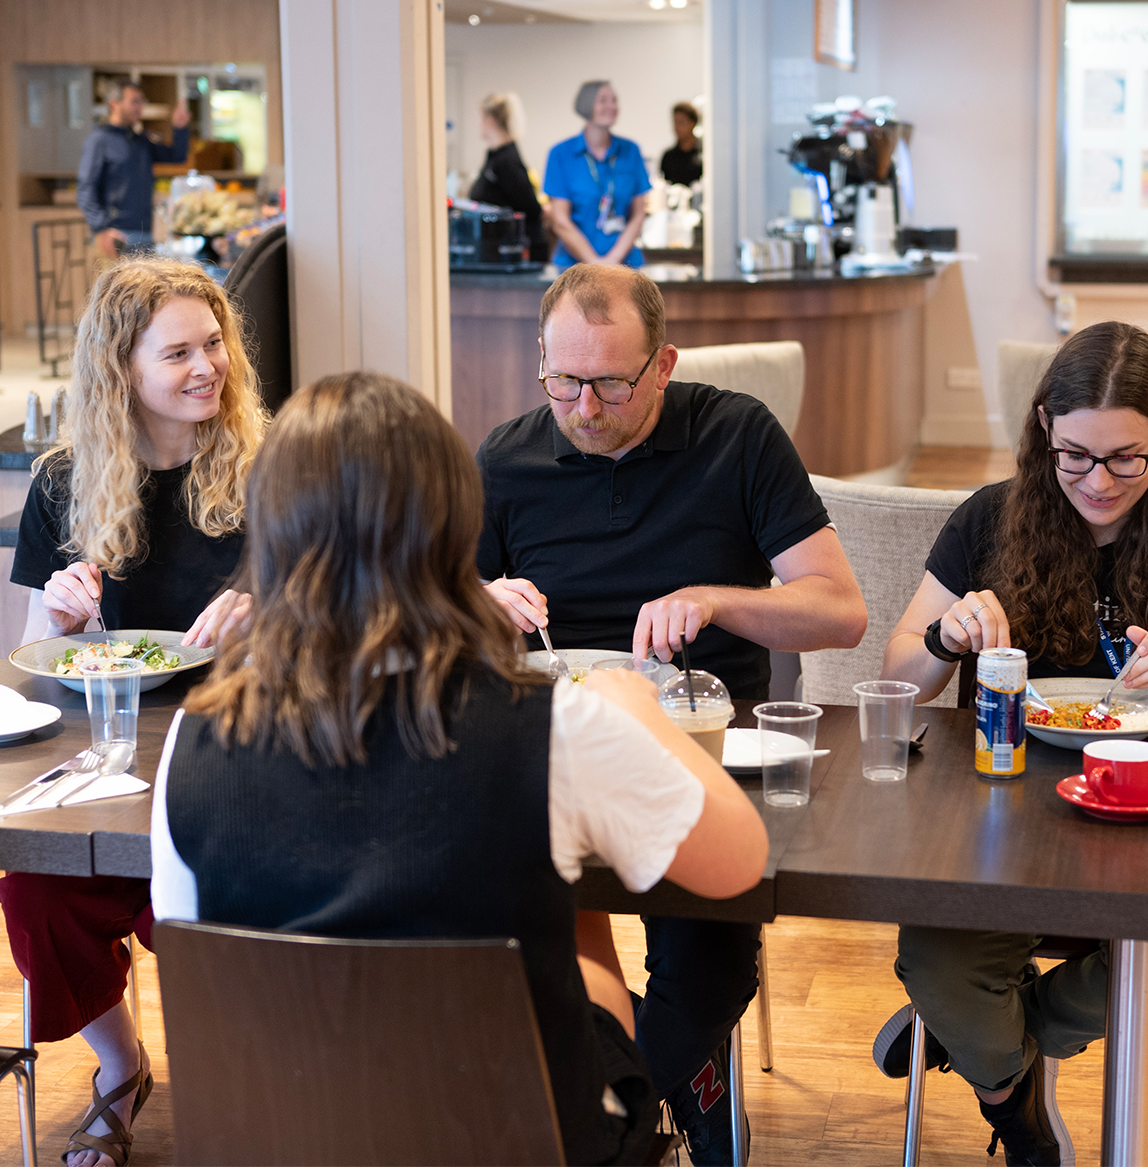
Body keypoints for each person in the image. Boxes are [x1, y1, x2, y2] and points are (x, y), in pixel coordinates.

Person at [150, 371, 769, 1166]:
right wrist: (646, 714)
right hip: (516, 1136)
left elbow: (191, 946)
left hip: (289, 1133)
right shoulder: (554, 727)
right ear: (452, 529)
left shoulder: (192, 741)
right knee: (572, 926)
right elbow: (739, 864)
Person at [872, 320, 1148, 1165]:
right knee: (937, 965)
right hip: (1000, 816)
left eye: (1125, 458)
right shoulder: (990, 521)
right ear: (1043, 429)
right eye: (1075, 455)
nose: (1099, 481)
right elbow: (897, 676)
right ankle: (1018, 1108)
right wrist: (943, 639)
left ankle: (991, 1040)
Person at [477, 262, 866, 1161]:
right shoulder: (506, 457)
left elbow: (839, 610)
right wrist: (477, 599)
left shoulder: (736, 436)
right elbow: (437, 614)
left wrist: (719, 600)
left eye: (611, 383)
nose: (584, 407)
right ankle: (675, 1101)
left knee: (705, 970)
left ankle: (638, 1110)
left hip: (704, 745)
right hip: (554, 752)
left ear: (663, 365)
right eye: (563, 380)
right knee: (514, 945)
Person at [5, 257, 266, 1167]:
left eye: (215, 344)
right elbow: (37, 665)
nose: (209, 367)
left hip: (240, 754)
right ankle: (120, 1069)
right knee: (37, 894)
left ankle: (254, 1081)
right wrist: (63, 618)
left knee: (223, 911)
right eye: (179, 353)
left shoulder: (265, 471)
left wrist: (271, 610)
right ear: (121, 369)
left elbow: (335, 627)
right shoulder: (63, 484)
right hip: (108, 757)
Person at [76, 79, 191, 259]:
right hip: (115, 235)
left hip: (144, 233)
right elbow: (85, 188)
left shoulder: (140, 140)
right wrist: (101, 228)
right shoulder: (99, 141)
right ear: (114, 104)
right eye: (134, 101)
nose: (140, 107)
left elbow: (176, 156)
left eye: (141, 101)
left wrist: (179, 128)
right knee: (116, 288)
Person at [542, 80, 652, 269]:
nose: (611, 106)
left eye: (614, 100)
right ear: (586, 105)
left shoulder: (630, 151)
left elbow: (639, 213)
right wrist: (595, 263)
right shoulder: (561, 154)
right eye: (602, 100)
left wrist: (612, 260)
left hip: (625, 264)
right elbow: (560, 220)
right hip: (573, 267)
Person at [467, 90, 549, 263]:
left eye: (480, 119)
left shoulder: (506, 161)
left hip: (517, 253)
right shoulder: (495, 158)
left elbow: (530, 207)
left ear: (489, 121)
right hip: (498, 249)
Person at [659, 101, 703, 189]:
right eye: (675, 122)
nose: (677, 127)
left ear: (692, 123)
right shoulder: (669, 157)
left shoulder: (704, 155)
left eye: (681, 122)